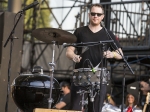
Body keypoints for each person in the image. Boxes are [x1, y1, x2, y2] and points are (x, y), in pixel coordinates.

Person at [66, 3, 123, 112]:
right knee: (75, 109)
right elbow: (68, 51)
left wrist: (112, 54)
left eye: (98, 14)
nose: (95, 16)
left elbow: (121, 54)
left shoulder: (108, 33)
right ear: (89, 15)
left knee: (95, 109)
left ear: (102, 16)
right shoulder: (79, 31)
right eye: (93, 13)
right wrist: (73, 56)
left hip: (99, 77)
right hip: (80, 76)